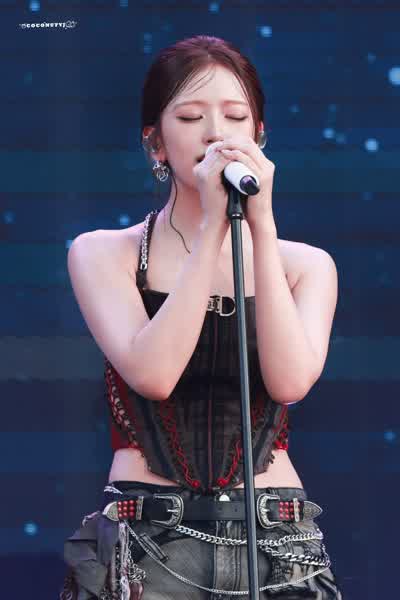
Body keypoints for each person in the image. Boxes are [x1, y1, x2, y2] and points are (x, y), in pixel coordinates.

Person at [60, 35, 343, 599]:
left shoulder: (306, 265)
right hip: (151, 539)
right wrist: (213, 225)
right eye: (191, 117)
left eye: (235, 117)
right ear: (156, 142)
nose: (216, 133)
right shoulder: (104, 253)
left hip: (278, 539)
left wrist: (260, 226)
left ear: (258, 135)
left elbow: (290, 382)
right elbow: (153, 374)